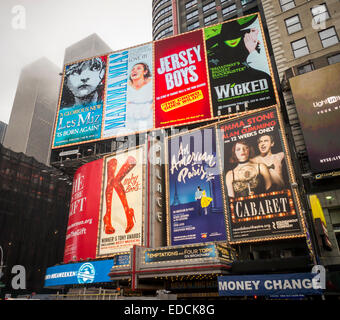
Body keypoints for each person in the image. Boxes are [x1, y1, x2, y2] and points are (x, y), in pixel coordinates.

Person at [205, 14, 275, 113]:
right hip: (222, 106)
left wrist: (252, 51)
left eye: (236, 39)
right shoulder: (212, 71)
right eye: (229, 41)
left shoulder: (262, 75)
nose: (233, 42)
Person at [126, 62, 153, 132]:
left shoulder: (152, 82)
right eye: (133, 69)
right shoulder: (125, 87)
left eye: (138, 69)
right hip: (131, 128)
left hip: (151, 125)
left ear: (145, 72)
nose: (134, 71)